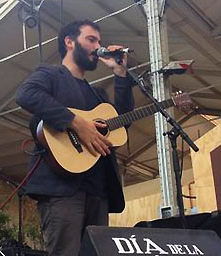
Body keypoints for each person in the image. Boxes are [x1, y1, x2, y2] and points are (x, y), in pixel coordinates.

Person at [15, 20, 135, 256]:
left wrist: (120, 74)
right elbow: (26, 95)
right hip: (62, 189)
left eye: (99, 41)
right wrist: (76, 123)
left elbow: (122, 121)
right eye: (91, 39)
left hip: (98, 190)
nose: (98, 46)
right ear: (69, 42)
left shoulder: (97, 93)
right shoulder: (50, 74)